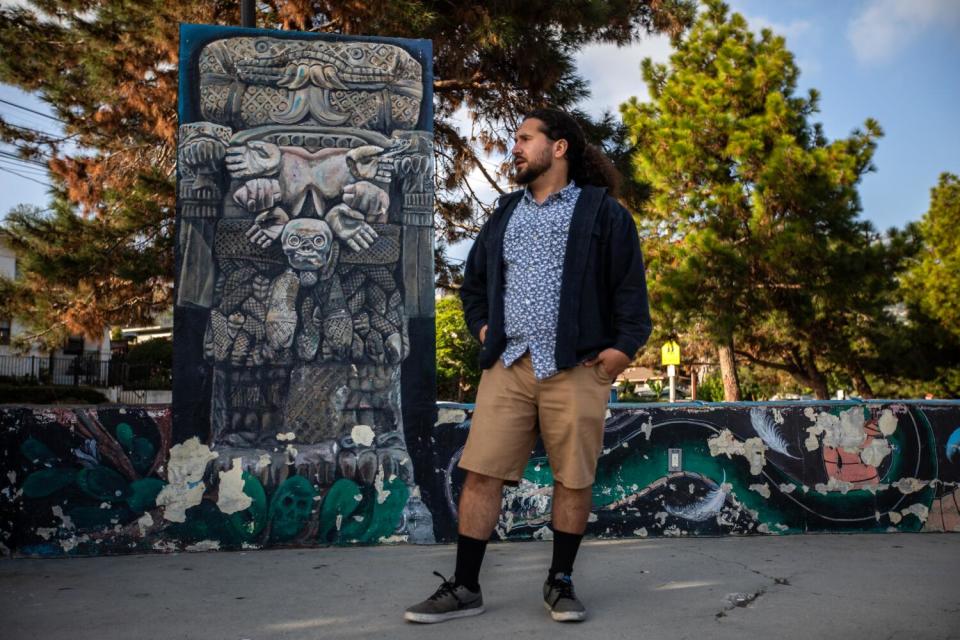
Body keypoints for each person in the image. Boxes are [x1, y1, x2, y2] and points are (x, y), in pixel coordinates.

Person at [405, 108, 652, 624]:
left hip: (577, 367)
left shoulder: (602, 213)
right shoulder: (504, 212)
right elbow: (474, 285)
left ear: (558, 148)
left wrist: (621, 352)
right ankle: (466, 587)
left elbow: (630, 292)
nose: (512, 148)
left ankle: (560, 582)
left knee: (573, 478)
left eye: (523, 138)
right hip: (509, 364)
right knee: (481, 474)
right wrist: (481, 329)